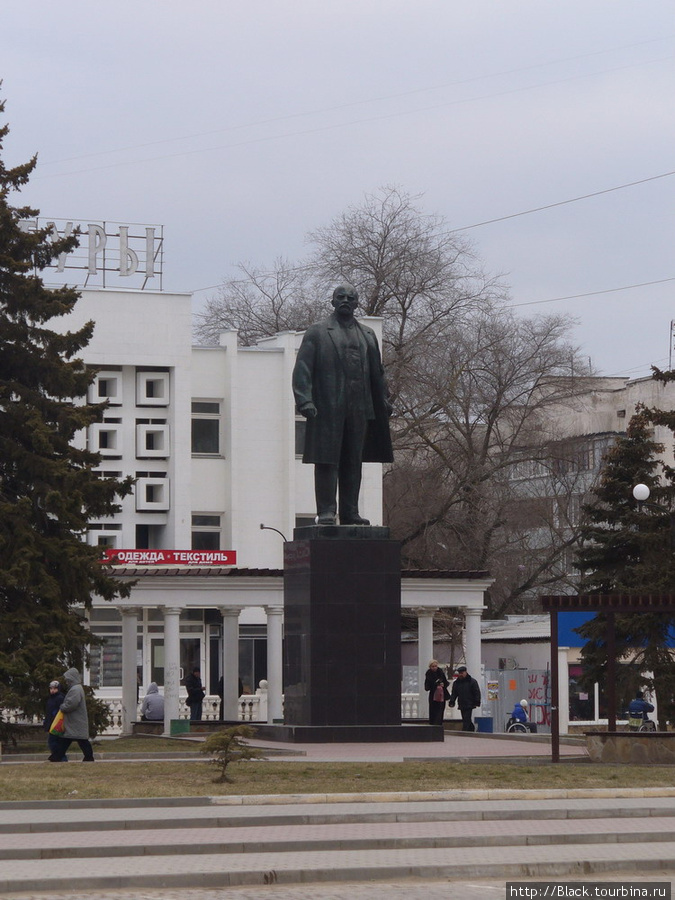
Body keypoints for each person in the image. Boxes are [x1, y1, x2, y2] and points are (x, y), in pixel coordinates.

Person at [292, 283, 393, 525]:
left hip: (360, 408)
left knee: (352, 461)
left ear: (357, 303)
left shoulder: (368, 334)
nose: (345, 300)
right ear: (333, 301)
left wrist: (383, 400)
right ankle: (327, 511)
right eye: (341, 297)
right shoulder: (317, 332)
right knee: (327, 460)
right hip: (327, 408)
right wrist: (304, 399)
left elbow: (377, 373)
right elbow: (303, 368)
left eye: (350, 297)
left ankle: (350, 512)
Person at [48, 668, 95, 762]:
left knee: (74, 740)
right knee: (72, 740)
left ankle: (57, 757)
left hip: (75, 721)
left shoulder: (75, 689)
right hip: (75, 721)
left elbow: (71, 704)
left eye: (67, 679)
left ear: (71, 678)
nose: (66, 681)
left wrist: (62, 707)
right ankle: (57, 756)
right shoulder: (77, 688)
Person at [449, 665, 482, 732]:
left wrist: (477, 701)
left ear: (466, 672)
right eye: (460, 673)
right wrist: (452, 701)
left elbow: (476, 692)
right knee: (465, 718)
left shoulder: (472, 682)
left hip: (470, 703)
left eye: (462, 673)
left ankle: (465, 731)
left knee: (466, 718)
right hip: (461, 703)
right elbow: (454, 693)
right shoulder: (456, 683)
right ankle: (471, 729)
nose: (461, 674)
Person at [44, 680, 68, 762]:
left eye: (54, 688)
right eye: (51, 688)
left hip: (57, 724)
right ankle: (59, 758)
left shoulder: (60, 698)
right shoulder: (50, 699)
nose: (52, 690)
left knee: (54, 742)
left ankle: (61, 758)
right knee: (54, 742)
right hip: (51, 722)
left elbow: (60, 711)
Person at [424, 660, 450, 726]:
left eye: (435, 666)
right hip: (433, 696)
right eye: (433, 666)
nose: (434, 668)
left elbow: (446, 683)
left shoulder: (441, 672)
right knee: (433, 711)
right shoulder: (428, 674)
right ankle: (433, 725)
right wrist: (435, 684)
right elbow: (427, 687)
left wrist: (443, 684)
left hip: (441, 695)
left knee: (440, 711)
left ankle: (439, 724)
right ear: (430, 667)